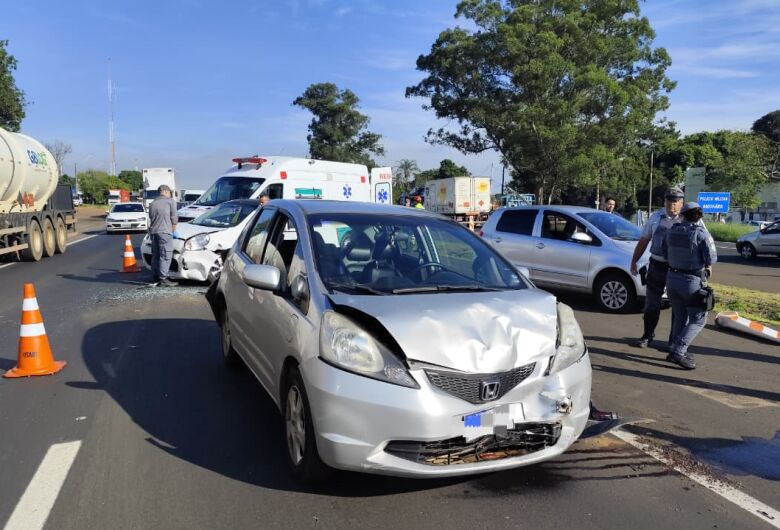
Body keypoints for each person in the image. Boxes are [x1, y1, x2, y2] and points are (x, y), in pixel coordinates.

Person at [628, 186, 714, 349]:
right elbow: (644, 240)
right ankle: (647, 336)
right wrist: (634, 261)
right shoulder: (655, 218)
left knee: (678, 307)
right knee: (652, 303)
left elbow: (706, 244)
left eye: (675, 201)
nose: (671, 204)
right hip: (657, 266)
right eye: (668, 200)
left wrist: (708, 267)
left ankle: (673, 341)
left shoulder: (693, 219)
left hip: (679, 270)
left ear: (682, 203)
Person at [662, 202, 716, 369]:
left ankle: (674, 348)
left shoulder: (671, 231)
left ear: (682, 215)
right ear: (699, 216)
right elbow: (711, 258)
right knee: (699, 319)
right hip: (691, 282)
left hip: (671, 279)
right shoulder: (701, 234)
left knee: (680, 316)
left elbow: (664, 252)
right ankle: (678, 351)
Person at [148, 184, 178, 287]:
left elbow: (151, 218)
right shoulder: (170, 202)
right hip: (165, 232)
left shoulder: (152, 203)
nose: (170, 194)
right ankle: (163, 278)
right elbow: (174, 218)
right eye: (170, 192)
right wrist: (173, 231)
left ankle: (155, 276)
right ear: (165, 191)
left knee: (156, 255)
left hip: (154, 232)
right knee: (165, 255)